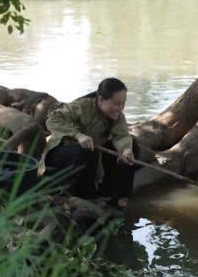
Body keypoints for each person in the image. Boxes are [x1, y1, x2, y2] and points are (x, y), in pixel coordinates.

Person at [41, 78, 139, 208]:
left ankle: (118, 195)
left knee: (134, 146)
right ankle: (86, 197)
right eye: (116, 104)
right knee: (87, 151)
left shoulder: (117, 116)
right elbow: (52, 120)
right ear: (100, 100)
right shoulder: (82, 106)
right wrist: (77, 135)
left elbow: (121, 136)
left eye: (123, 104)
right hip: (62, 155)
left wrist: (126, 150)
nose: (120, 108)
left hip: (92, 155)